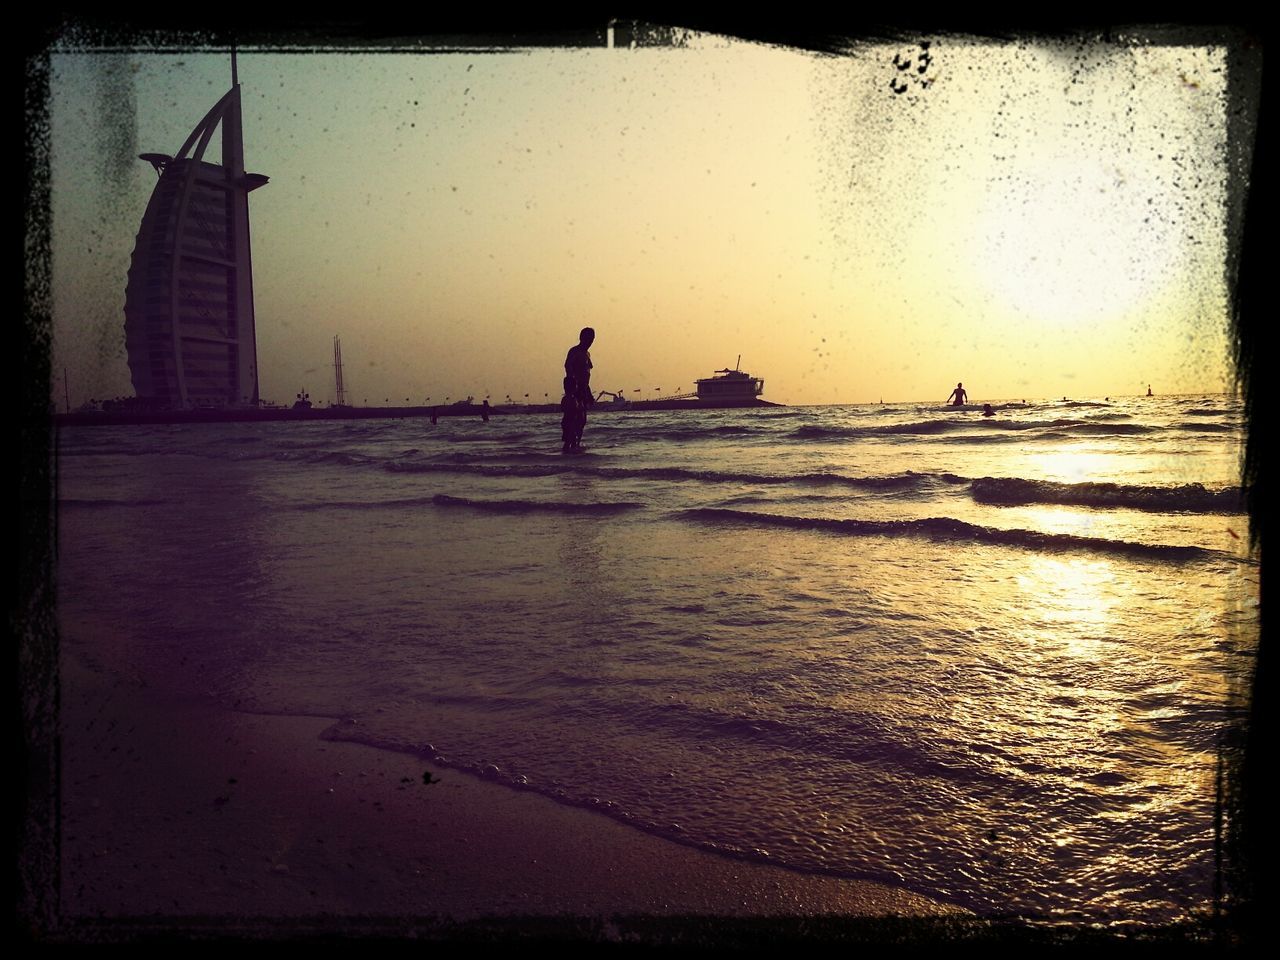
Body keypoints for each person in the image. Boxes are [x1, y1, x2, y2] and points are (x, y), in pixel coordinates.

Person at [565, 327, 596, 441]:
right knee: (572, 420)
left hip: (583, 389)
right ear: (582, 338)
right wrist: (572, 388)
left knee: (582, 421)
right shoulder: (574, 351)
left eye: (592, 339)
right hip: (574, 389)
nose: (591, 341)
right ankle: (568, 446)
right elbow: (568, 367)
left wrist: (588, 392)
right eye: (588, 339)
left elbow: (586, 375)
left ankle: (576, 446)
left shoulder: (587, 354)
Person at [560, 376, 586, 453]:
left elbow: (562, 408)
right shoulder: (573, 399)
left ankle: (566, 454)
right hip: (571, 423)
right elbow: (575, 410)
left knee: (568, 441)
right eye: (576, 385)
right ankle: (569, 454)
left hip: (565, 422)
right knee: (571, 441)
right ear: (573, 387)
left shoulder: (564, 398)